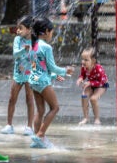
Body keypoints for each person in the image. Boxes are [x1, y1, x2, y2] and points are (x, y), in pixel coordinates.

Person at [28, 17, 75, 148]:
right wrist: (66, 70)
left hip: (33, 81)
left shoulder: (33, 45)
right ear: (46, 31)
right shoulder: (46, 47)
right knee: (55, 108)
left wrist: (53, 75)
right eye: (52, 32)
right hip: (42, 82)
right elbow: (52, 67)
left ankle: (37, 139)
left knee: (41, 110)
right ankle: (40, 135)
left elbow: (39, 67)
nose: (52, 34)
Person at [1, 15, 34, 136]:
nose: (18, 30)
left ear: (29, 29)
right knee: (12, 98)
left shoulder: (35, 41)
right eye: (17, 28)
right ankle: (9, 125)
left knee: (29, 99)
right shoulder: (17, 40)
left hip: (30, 73)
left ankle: (29, 126)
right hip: (18, 74)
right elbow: (15, 54)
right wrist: (24, 50)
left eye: (21, 28)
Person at [76, 47, 109, 125]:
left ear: (93, 61)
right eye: (82, 59)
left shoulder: (98, 68)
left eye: (86, 60)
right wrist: (80, 79)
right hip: (91, 83)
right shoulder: (84, 67)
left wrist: (90, 83)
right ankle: (85, 118)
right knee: (84, 96)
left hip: (102, 85)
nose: (83, 62)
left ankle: (97, 119)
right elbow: (82, 75)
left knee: (93, 99)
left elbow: (101, 81)